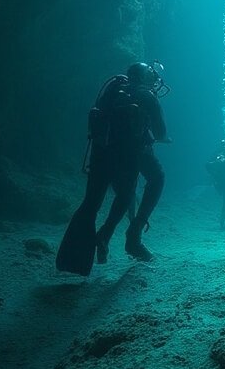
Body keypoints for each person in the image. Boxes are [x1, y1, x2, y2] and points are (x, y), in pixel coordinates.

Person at [55, 61, 170, 276]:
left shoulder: (113, 91)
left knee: (92, 203)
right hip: (129, 155)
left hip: (101, 153)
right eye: (150, 73)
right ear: (144, 77)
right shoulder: (147, 96)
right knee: (155, 179)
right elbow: (161, 133)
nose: (154, 77)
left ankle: (74, 260)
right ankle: (132, 236)